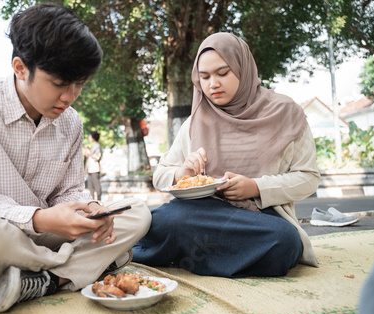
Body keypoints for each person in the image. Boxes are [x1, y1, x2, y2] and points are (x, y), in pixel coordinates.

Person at [0, 3, 151, 313]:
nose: (69, 97)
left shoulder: (71, 122)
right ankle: (68, 271)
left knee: (136, 212)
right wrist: (38, 219)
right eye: (59, 83)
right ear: (20, 67)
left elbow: (67, 193)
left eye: (79, 84)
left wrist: (92, 210)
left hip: (43, 240)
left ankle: (43, 280)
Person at [132, 32, 320, 277]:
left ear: (243, 68)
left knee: (285, 241)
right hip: (201, 213)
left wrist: (256, 187)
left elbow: (308, 177)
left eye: (223, 73)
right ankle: (223, 258)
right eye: (205, 77)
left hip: (258, 218)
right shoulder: (196, 121)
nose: (213, 84)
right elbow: (160, 176)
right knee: (158, 220)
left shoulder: (285, 112)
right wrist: (182, 173)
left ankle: (183, 257)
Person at [84, 130, 102, 200]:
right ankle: (92, 201)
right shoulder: (92, 146)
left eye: (90, 136)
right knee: (90, 187)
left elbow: (97, 157)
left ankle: (99, 200)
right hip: (89, 169)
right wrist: (86, 150)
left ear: (93, 137)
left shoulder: (97, 146)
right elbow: (87, 157)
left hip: (95, 169)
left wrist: (89, 152)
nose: (89, 138)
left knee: (97, 186)